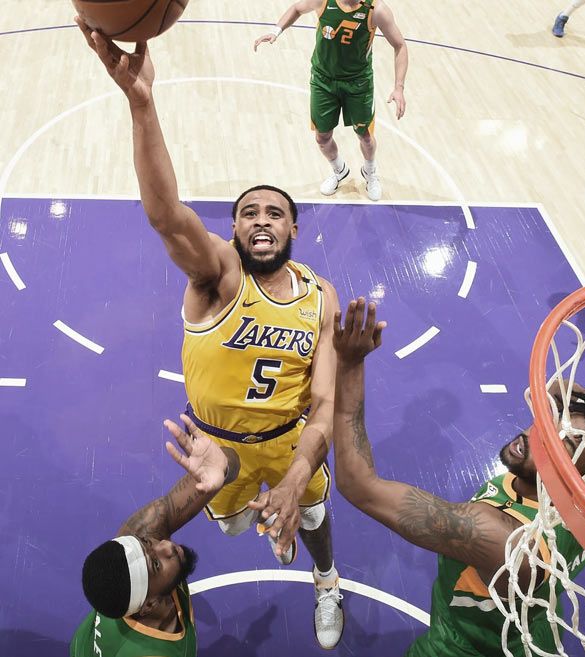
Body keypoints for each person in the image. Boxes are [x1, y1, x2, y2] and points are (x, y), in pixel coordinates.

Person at [76, 18, 344, 649]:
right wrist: (142, 105)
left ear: (294, 229)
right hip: (218, 449)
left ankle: (326, 579)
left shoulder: (321, 296)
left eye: (275, 212)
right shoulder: (218, 277)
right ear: (233, 229)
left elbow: (325, 401)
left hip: (290, 441)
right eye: (248, 212)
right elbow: (166, 216)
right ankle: (266, 518)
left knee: (311, 513)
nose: (260, 219)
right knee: (230, 525)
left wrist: (295, 474)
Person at [331, 297, 585, 656]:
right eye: (553, 423)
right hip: (533, 628)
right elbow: (560, 387)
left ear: (582, 482)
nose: (540, 435)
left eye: (564, 446)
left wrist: (349, 364)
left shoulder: (497, 536)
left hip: (463, 645)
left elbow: (358, 485)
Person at [70, 415, 240, 656]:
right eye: (157, 565)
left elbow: (221, 467)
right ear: (149, 605)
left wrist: (222, 466)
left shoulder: (136, 544)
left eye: (147, 543)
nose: (165, 546)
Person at [254, 0, 408, 202]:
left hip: (358, 83)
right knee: (322, 137)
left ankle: (370, 172)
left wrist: (399, 87)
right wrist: (276, 31)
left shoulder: (376, 9)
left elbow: (400, 45)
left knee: (365, 137)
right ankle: (339, 171)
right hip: (323, 80)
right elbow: (297, 8)